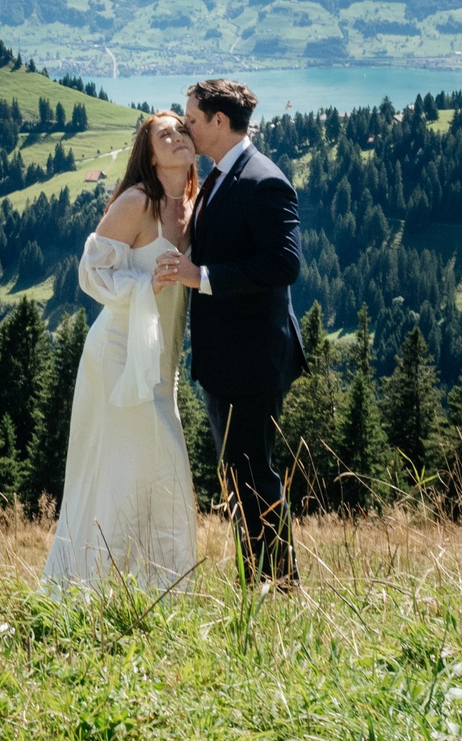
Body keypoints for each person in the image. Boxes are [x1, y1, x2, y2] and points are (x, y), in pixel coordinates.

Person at [153, 77, 302, 585]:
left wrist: (202, 277)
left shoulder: (263, 181)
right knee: (238, 475)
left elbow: (284, 264)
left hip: (253, 360)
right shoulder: (220, 174)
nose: (186, 127)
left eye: (192, 119)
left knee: (253, 474)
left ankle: (277, 586)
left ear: (219, 121)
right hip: (228, 360)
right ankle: (259, 581)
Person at [43, 111, 202, 589]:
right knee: (136, 469)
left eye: (182, 129)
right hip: (118, 354)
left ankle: (157, 589)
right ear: (150, 155)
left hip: (160, 361)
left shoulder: (193, 203)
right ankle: (98, 587)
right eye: (164, 134)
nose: (177, 137)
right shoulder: (137, 202)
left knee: (153, 469)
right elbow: (90, 272)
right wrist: (142, 283)